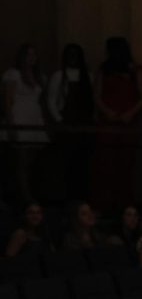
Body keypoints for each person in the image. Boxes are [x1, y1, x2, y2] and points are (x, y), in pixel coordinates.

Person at [92, 37, 142, 212]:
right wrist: (107, 112)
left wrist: (130, 113)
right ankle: (106, 204)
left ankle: (124, 204)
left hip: (126, 123)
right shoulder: (104, 70)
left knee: (125, 165)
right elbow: (97, 95)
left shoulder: (134, 70)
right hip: (108, 123)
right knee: (106, 165)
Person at [45, 44, 95, 201]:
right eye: (70, 54)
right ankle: (65, 196)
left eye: (76, 54)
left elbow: (91, 101)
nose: (73, 58)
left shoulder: (88, 76)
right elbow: (51, 100)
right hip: (66, 122)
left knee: (82, 162)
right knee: (65, 162)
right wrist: (59, 120)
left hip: (83, 123)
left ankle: (81, 196)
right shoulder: (59, 76)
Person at [3, 43, 47, 202]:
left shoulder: (39, 76)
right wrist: (11, 124)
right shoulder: (13, 74)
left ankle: (31, 193)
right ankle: (25, 197)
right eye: (28, 54)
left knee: (32, 161)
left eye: (34, 54)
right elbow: (8, 101)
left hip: (35, 118)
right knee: (21, 161)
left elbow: (41, 102)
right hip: (19, 117)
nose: (32, 58)